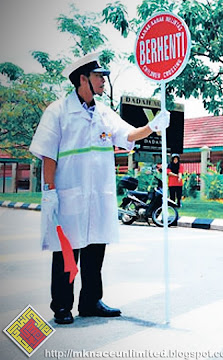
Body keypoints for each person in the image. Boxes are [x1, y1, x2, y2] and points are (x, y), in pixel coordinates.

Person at [29, 52, 170, 325]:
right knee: (67, 252)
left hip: (98, 196)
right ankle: (62, 306)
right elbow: (48, 155)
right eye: (98, 76)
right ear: (83, 79)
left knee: (95, 248)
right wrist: (49, 192)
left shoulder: (105, 113)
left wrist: (152, 127)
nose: (103, 81)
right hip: (69, 195)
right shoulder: (58, 111)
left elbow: (127, 135)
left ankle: (91, 301)